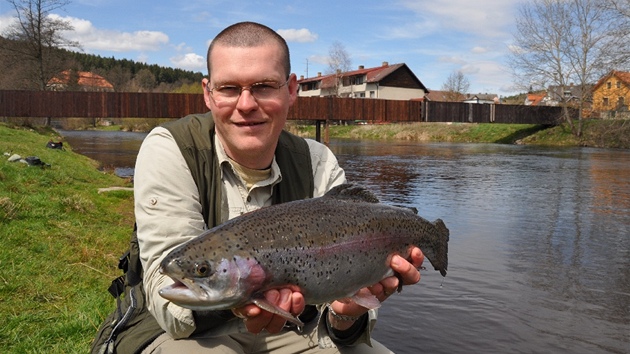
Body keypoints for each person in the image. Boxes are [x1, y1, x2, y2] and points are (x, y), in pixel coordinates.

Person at [134, 21, 424, 353]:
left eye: (264, 86)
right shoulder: (171, 149)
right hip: (190, 336)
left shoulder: (317, 162)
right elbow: (168, 305)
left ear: (291, 90)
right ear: (208, 93)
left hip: (296, 330)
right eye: (229, 88)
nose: (246, 104)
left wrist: (346, 314)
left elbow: (338, 322)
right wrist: (242, 300)